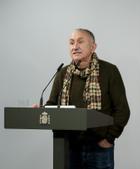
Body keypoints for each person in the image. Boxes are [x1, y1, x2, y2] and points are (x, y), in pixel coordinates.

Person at [46, 28, 130, 169]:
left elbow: (122, 110)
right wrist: (41, 111)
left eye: (80, 42)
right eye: (71, 42)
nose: (75, 46)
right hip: (68, 146)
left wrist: (109, 138)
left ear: (93, 46)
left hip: (99, 147)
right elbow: (52, 104)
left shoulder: (109, 71)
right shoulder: (63, 73)